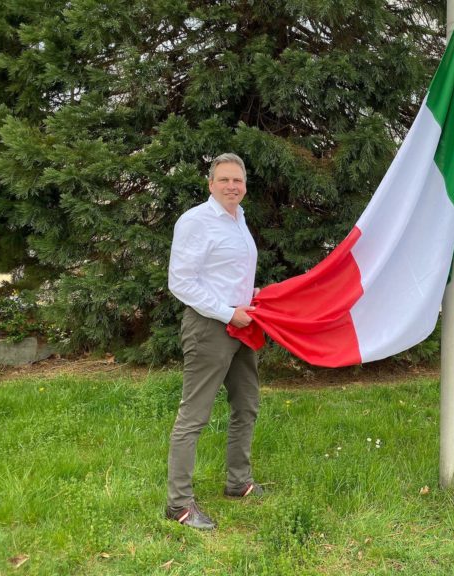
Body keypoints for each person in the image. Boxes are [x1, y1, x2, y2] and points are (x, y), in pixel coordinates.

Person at [165, 153, 263, 530]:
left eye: (237, 180)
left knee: (247, 404)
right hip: (210, 327)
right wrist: (227, 312)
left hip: (242, 324)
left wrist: (250, 295)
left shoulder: (239, 219)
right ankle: (179, 505)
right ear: (210, 183)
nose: (232, 186)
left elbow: (223, 273)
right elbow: (182, 282)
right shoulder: (196, 221)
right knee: (194, 415)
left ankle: (238, 483)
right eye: (224, 180)